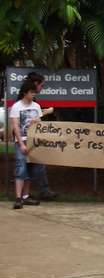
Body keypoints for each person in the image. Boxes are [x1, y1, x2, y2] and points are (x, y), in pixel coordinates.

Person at [9, 80, 53, 209]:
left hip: (34, 142)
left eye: (34, 92)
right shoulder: (16, 107)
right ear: (25, 93)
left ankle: (25, 196)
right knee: (20, 169)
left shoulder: (36, 106)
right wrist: (21, 144)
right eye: (31, 92)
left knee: (31, 169)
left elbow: (39, 124)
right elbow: (15, 126)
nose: (34, 94)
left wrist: (36, 122)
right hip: (21, 141)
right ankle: (18, 198)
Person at [20, 72, 57, 201]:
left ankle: (29, 193)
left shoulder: (32, 101)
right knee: (30, 166)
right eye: (42, 85)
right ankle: (37, 192)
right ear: (35, 84)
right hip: (26, 138)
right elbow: (29, 117)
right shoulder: (26, 100)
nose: (42, 88)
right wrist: (46, 112)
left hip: (30, 137)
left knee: (32, 166)